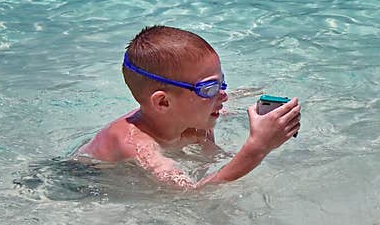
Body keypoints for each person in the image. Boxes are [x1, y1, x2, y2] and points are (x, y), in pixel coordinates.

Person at [76, 26, 300, 189]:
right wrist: (257, 148)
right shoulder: (138, 146)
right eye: (210, 88)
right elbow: (190, 196)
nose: (222, 94)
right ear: (163, 102)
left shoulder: (195, 120)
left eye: (222, 81)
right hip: (81, 182)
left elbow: (212, 159)